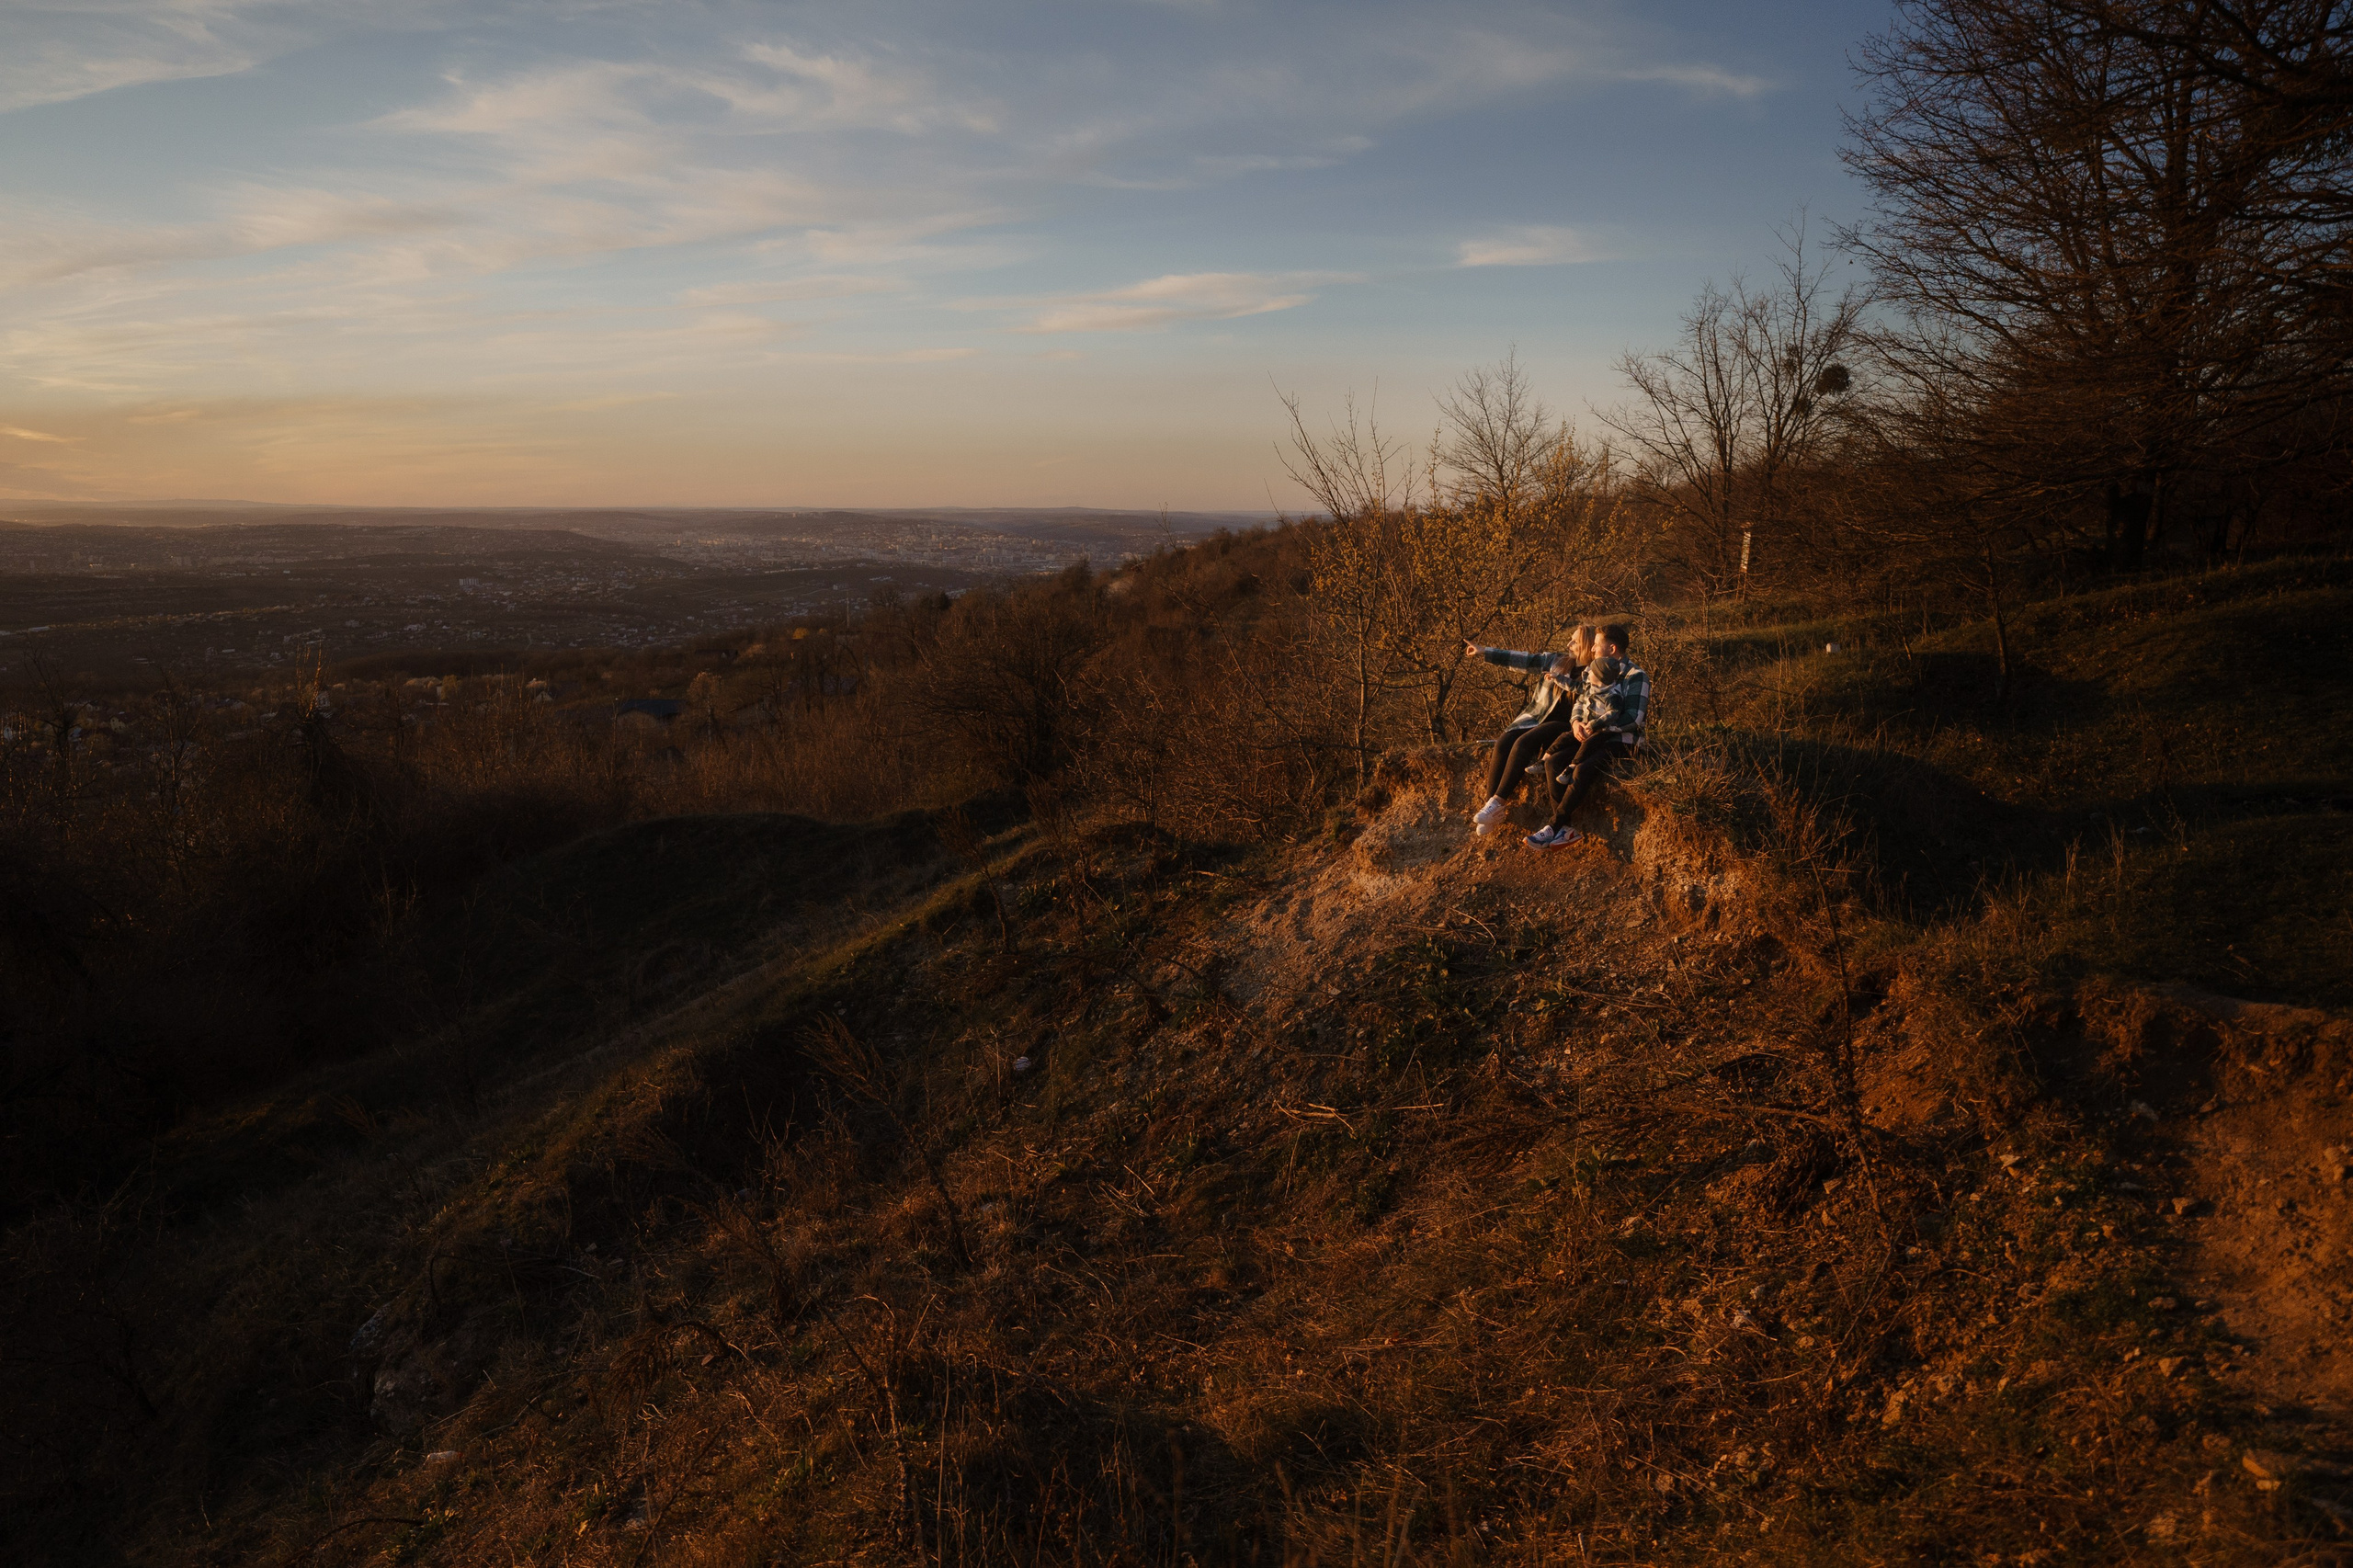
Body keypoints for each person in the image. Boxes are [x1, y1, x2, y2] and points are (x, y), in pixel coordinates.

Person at [1464, 626, 1597, 835]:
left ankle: (1499, 800)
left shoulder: (1595, 672)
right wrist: (1485, 652)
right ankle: (1492, 806)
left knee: (1523, 742)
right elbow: (1525, 660)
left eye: (1575, 641)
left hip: (1567, 727)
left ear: (1588, 645)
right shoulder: (1557, 661)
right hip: (1537, 718)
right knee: (1504, 741)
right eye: (1570, 640)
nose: (1569, 644)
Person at [1526, 622, 1648, 848]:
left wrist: (1598, 727)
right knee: (1553, 762)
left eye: (1596, 645)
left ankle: (1553, 826)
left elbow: (1634, 719)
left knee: (1581, 769)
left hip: (1620, 740)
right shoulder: (1593, 670)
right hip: (1590, 735)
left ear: (1612, 649)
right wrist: (1576, 723)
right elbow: (1581, 702)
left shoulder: (1635, 675)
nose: (1591, 649)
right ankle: (1565, 829)